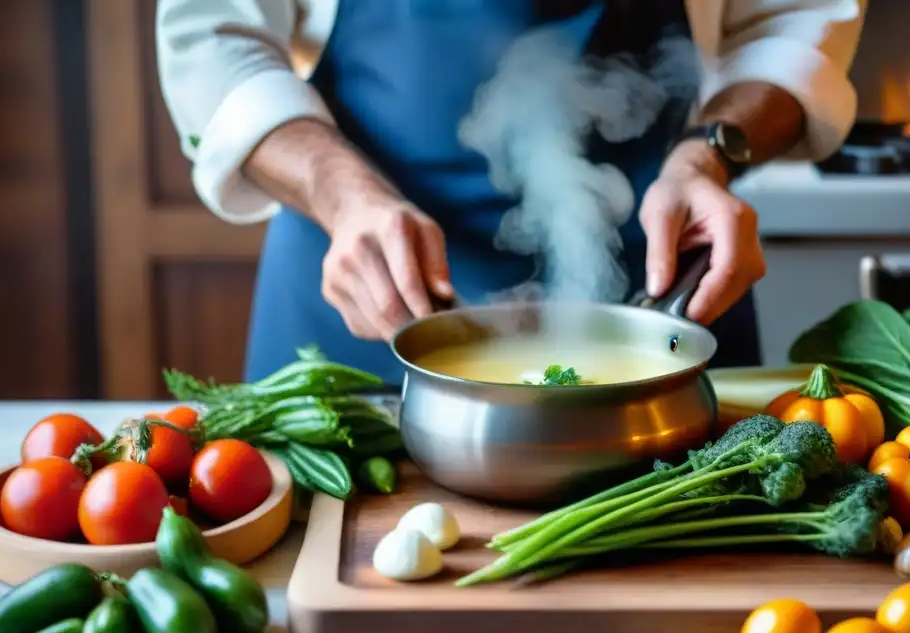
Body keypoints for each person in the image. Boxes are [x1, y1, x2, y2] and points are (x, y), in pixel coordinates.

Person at [156, 0, 866, 383]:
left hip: (667, 278)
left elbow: (793, 22)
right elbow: (213, 35)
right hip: (354, 289)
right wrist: (343, 196)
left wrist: (710, 155)